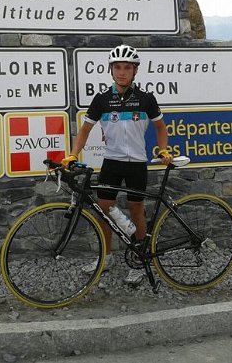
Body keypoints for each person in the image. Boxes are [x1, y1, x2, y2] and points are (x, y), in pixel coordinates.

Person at [62, 44, 172, 284]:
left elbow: (160, 127)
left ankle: (140, 259)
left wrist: (163, 149)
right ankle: (106, 256)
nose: (122, 72)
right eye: (118, 67)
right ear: (111, 70)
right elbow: (84, 130)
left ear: (135, 71)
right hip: (111, 161)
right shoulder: (102, 100)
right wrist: (72, 154)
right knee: (103, 209)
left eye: (127, 68)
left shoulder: (146, 99)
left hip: (137, 163)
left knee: (136, 210)